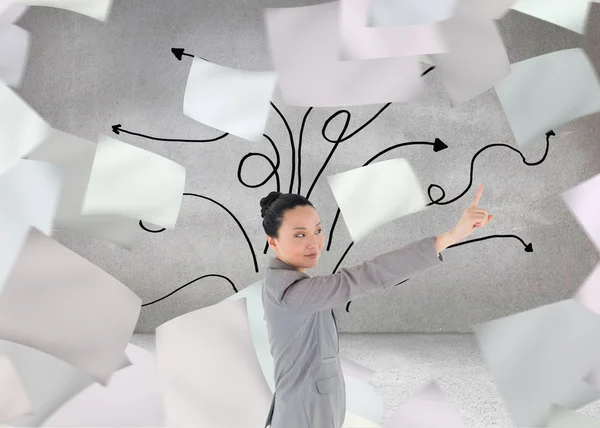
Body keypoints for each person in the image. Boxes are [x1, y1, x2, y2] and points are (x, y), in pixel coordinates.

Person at [261, 184, 493, 428]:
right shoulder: (292, 293)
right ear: (273, 241)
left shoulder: (284, 283)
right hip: (305, 415)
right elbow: (366, 276)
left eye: (317, 230)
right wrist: (450, 237)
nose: (314, 243)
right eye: (300, 234)